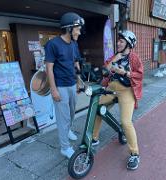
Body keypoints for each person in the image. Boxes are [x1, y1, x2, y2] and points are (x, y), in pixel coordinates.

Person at [92, 30, 143, 170]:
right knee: (97, 109)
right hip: (111, 88)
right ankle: (94, 138)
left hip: (126, 90)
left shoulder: (134, 58)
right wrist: (114, 60)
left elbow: (139, 75)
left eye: (121, 41)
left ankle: (134, 154)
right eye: (118, 41)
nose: (118, 43)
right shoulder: (115, 56)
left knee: (126, 122)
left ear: (129, 43)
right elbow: (105, 71)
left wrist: (124, 72)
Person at [45, 12, 84, 158]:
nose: (79, 32)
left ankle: (68, 130)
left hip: (72, 84)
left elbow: (75, 62)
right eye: (77, 28)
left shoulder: (74, 44)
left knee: (72, 112)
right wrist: (53, 90)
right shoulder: (53, 44)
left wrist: (80, 81)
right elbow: (49, 68)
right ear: (69, 28)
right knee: (63, 118)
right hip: (60, 86)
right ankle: (65, 147)